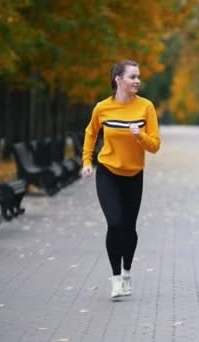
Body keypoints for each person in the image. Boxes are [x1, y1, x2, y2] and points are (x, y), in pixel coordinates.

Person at [81, 60, 161, 300]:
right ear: (118, 79)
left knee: (129, 228)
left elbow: (155, 145)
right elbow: (91, 133)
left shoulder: (146, 107)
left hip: (134, 174)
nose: (137, 81)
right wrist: (87, 162)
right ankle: (116, 278)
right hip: (107, 171)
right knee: (114, 224)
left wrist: (140, 136)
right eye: (132, 77)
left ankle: (127, 272)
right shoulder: (102, 108)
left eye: (138, 77)